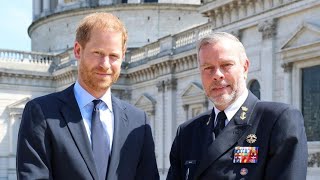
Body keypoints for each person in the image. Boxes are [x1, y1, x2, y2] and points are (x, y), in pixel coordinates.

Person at [16, 12, 159, 180]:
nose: (105, 65)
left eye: (113, 56)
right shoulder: (41, 113)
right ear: (78, 50)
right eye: (97, 53)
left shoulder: (138, 120)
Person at [167, 32, 308, 180]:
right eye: (208, 68)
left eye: (226, 65)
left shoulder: (277, 121)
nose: (217, 75)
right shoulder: (187, 132)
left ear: (245, 67)